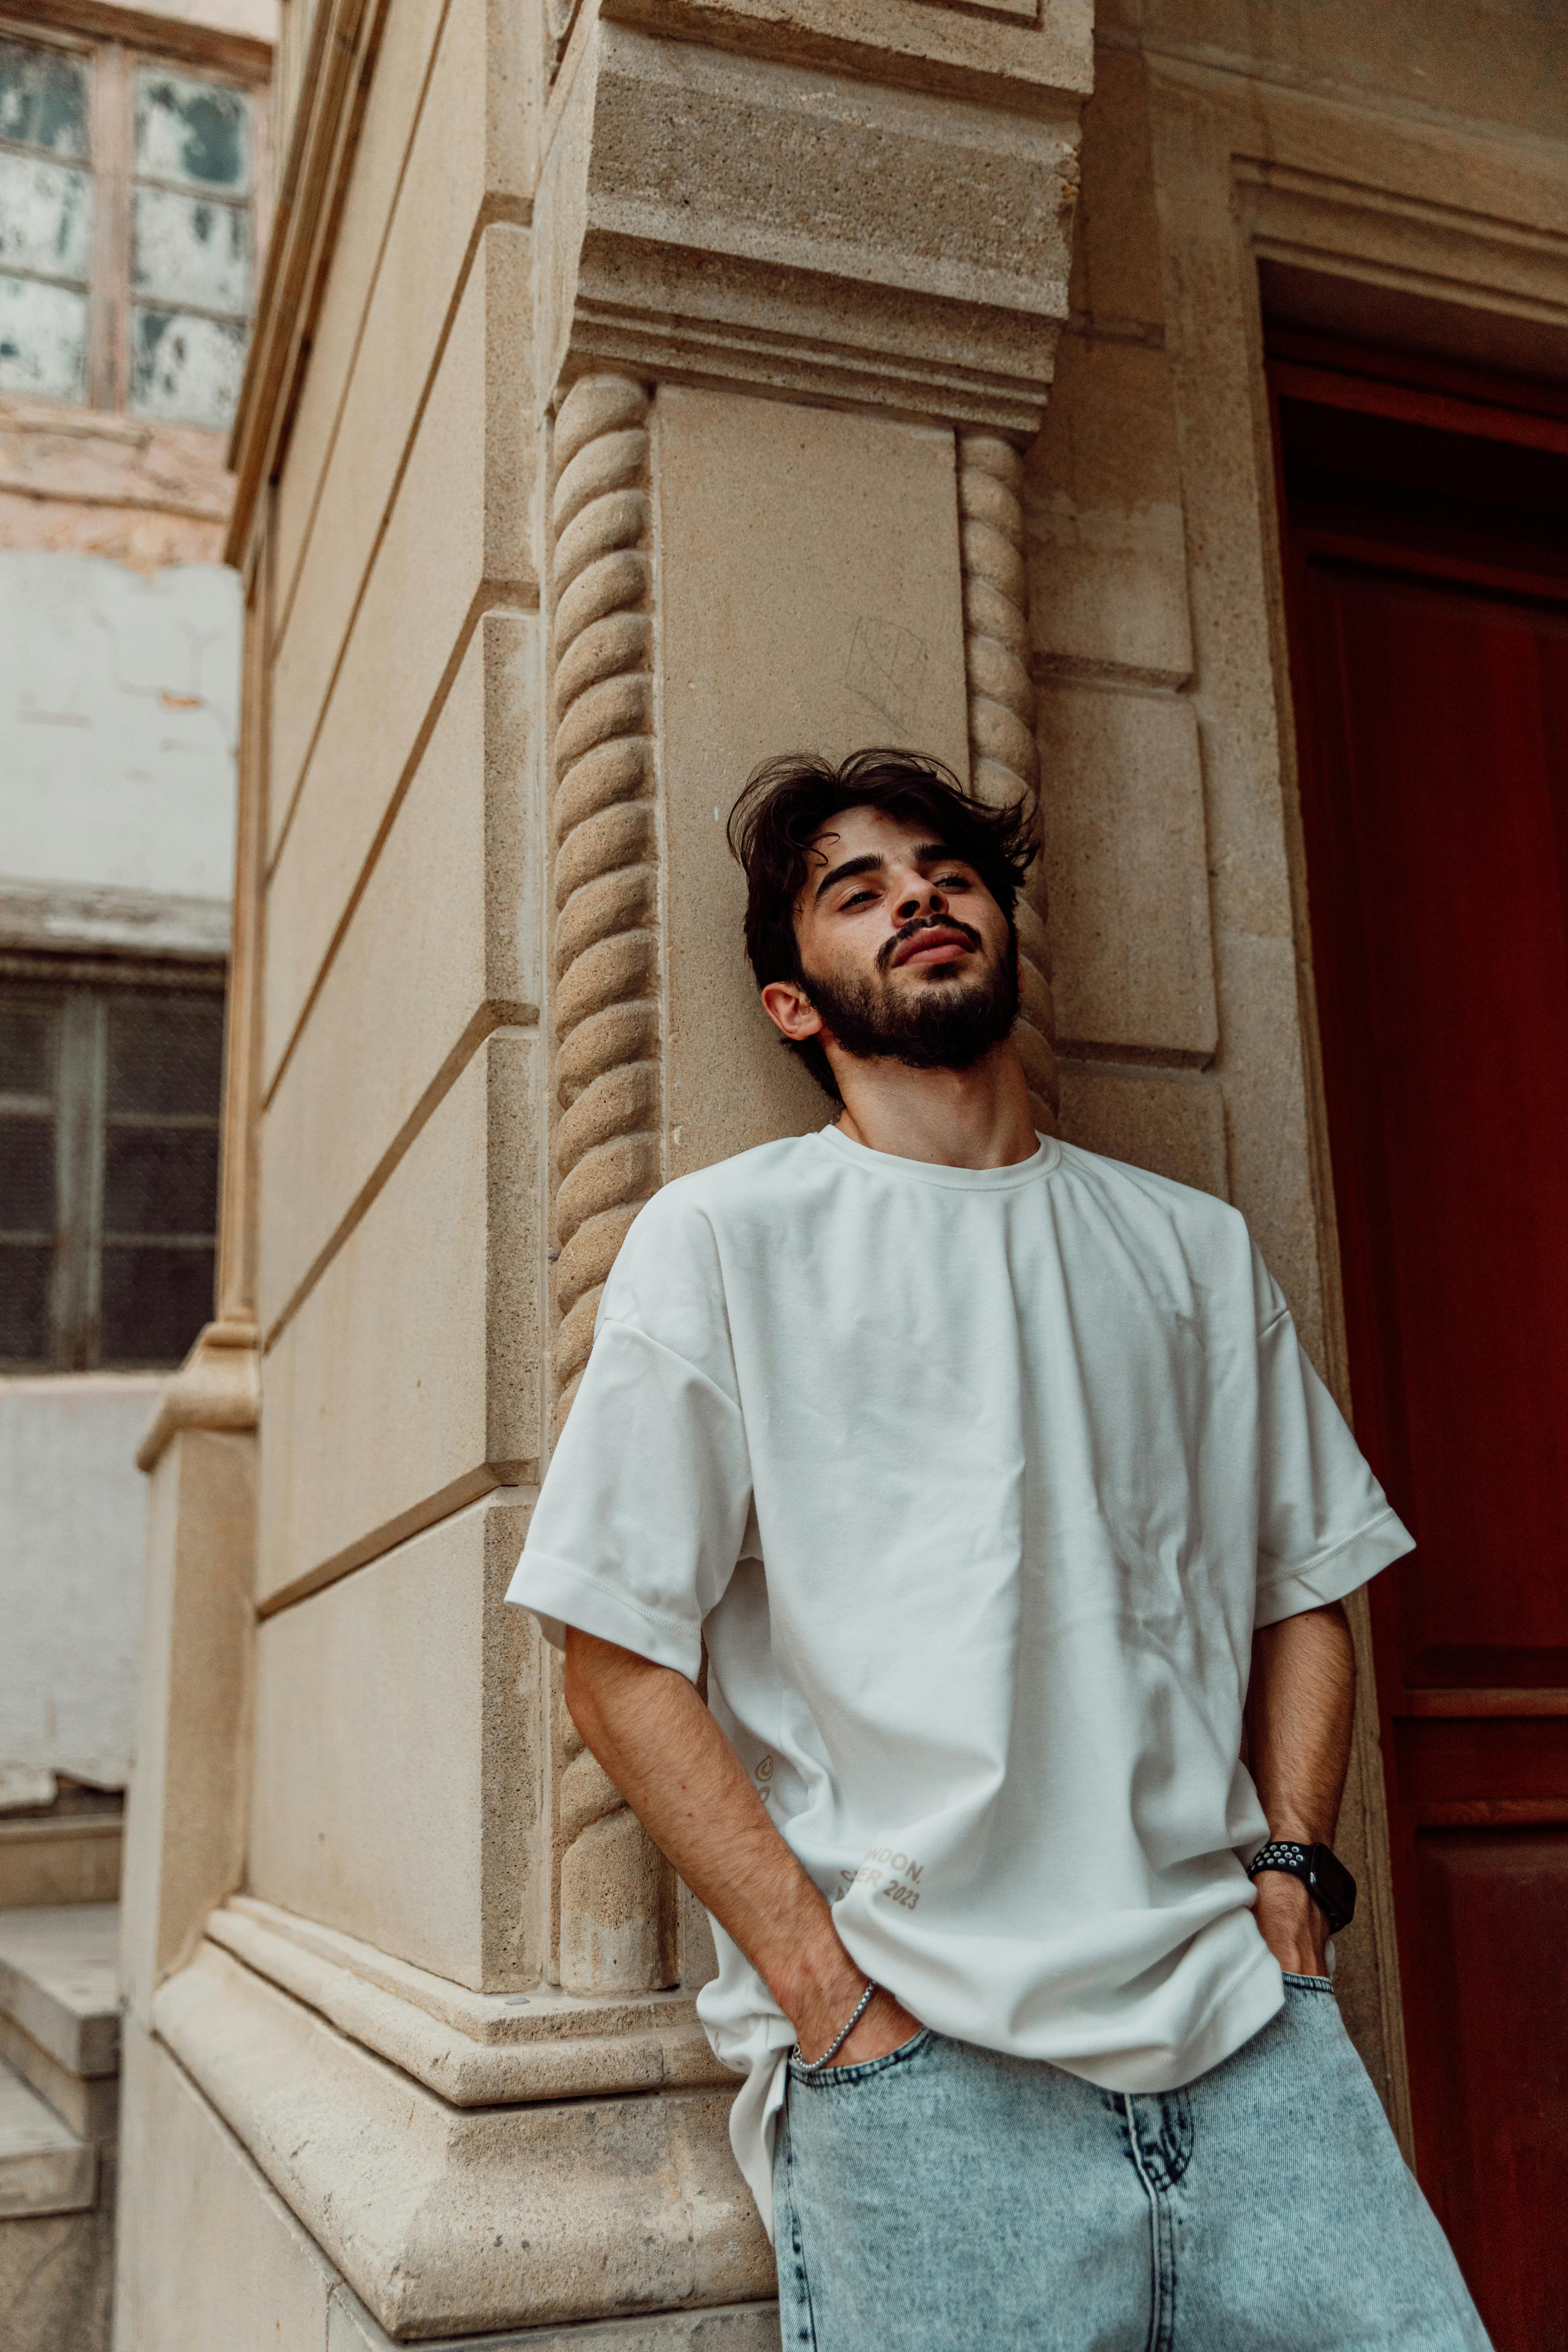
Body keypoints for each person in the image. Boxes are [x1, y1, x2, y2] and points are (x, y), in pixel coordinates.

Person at [506, 748, 1490, 2351]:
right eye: (858, 889)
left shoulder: (1186, 1247)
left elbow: (1305, 1586)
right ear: (791, 1006)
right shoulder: (724, 1242)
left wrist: (1295, 1881)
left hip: (1245, 2033)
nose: (918, 898)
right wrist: (829, 1997)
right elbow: (615, 1654)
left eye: (947, 874)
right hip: (925, 2066)